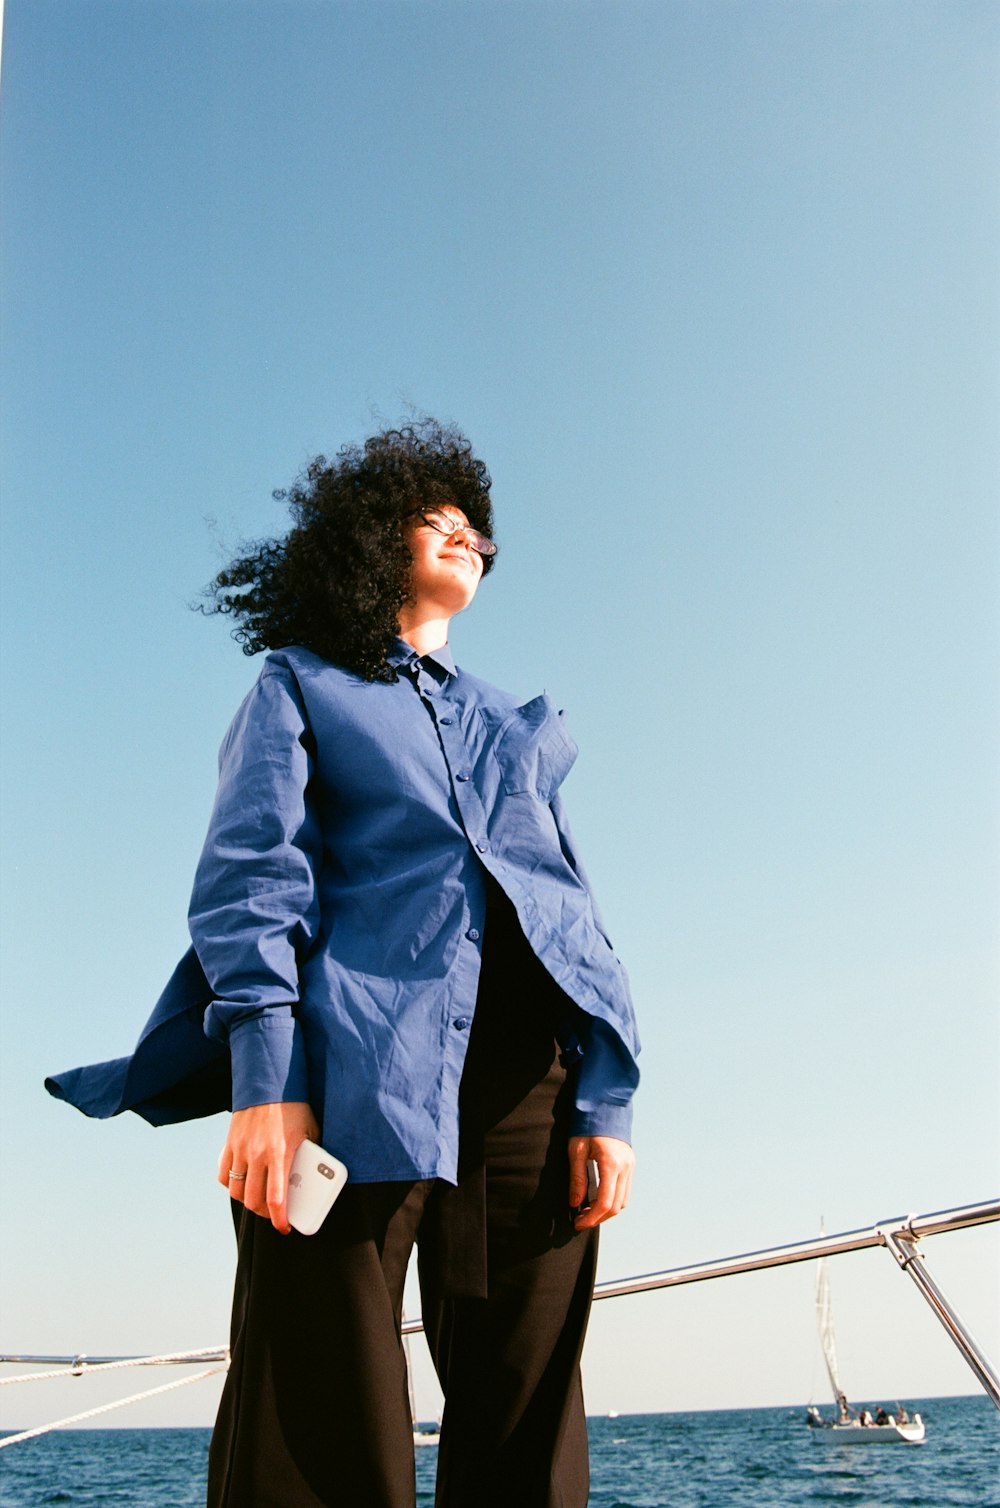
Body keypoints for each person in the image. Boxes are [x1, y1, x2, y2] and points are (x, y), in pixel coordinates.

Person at [46, 420, 640, 1508]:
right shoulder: (302, 685)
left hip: (527, 1091)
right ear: (371, 537)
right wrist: (267, 1077)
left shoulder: (511, 722)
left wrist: (606, 1096)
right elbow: (248, 877)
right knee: (317, 1424)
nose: (469, 535)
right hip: (352, 1070)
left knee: (528, 1422)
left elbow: (574, 915)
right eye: (437, 516)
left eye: (479, 529)